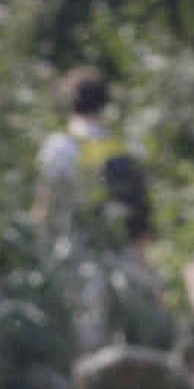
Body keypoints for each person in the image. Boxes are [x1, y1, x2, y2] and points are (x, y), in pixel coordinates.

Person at [33, 69, 152, 252]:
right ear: (104, 102)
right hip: (119, 250)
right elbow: (140, 209)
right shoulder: (124, 147)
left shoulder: (59, 146)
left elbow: (45, 204)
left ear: (70, 100)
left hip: (74, 249)